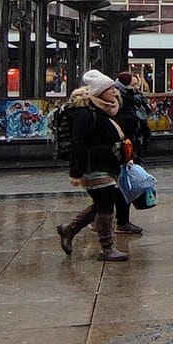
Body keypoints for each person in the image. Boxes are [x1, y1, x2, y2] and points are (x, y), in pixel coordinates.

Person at [57, 70, 138, 262]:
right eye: (109, 88)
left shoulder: (108, 108)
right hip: (94, 165)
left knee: (101, 204)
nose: (114, 91)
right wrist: (75, 172)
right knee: (106, 205)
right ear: (99, 92)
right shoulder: (85, 112)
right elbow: (78, 142)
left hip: (110, 163)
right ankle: (107, 247)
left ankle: (69, 230)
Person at [114, 71, 151, 159]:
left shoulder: (136, 96)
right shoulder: (123, 97)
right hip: (129, 135)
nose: (136, 87)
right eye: (133, 84)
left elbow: (146, 111)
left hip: (136, 135)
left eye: (136, 84)